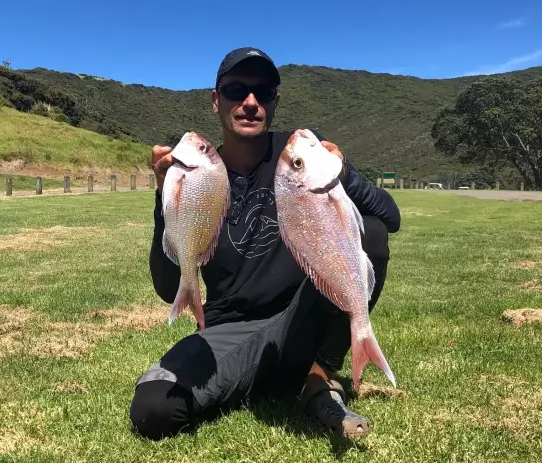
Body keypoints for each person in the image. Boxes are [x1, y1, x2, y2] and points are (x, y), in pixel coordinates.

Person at [129, 47, 401, 441]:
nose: (250, 102)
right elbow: (169, 288)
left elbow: (389, 220)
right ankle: (270, 377)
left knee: (369, 233)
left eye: (264, 91)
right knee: (154, 409)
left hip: (301, 316)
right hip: (231, 329)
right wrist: (164, 197)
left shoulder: (299, 156)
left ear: (276, 101)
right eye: (237, 89)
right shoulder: (200, 173)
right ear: (215, 99)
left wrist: (344, 175)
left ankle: (318, 374)